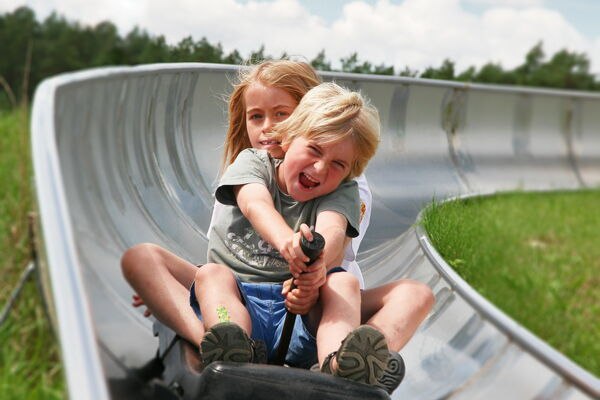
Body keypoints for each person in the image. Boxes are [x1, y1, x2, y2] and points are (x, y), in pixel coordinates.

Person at [121, 59, 433, 393]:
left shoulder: (341, 183)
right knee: (171, 266)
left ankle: (349, 362)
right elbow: (253, 209)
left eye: (280, 114)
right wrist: (181, 290)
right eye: (257, 116)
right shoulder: (250, 164)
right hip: (238, 299)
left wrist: (313, 276)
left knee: (381, 290)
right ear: (294, 135)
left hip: (310, 308)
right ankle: (218, 342)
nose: (269, 128)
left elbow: (333, 232)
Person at [195, 81, 388, 386]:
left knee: (344, 282)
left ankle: (339, 367)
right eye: (314, 149)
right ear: (287, 139)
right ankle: (232, 347)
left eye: (338, 163)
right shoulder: (252, 164)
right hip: (245, 306)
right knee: (211, 275)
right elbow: (255, 203)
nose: (321, 168)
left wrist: (317, 262)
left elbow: (334, 228)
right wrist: (288, 241)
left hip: (298, 317)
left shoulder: (343, 190)